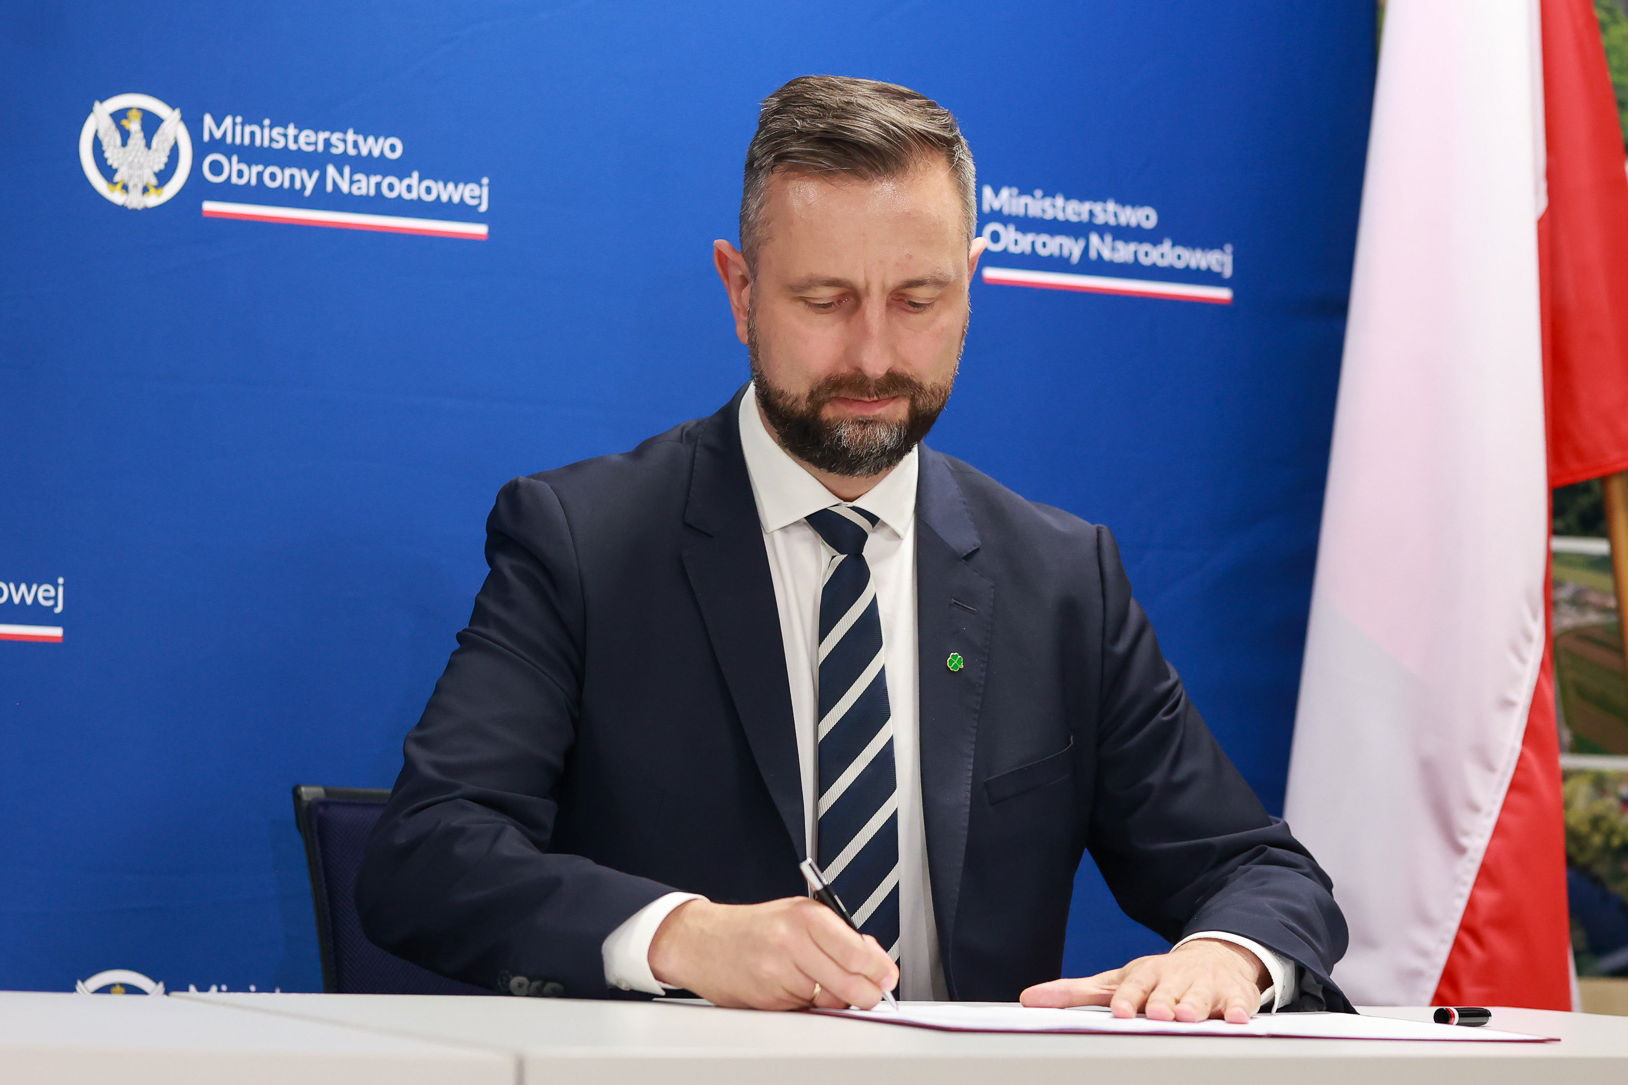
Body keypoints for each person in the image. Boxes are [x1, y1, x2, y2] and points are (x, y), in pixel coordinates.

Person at [357, 75, 1348, 1021]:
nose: (874, 356)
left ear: (969, 285)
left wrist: (1226, 957)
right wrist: (681, 937)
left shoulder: (1061, 582)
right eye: (825, 302)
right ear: (740, 291)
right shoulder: (583, 543)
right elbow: (429, 853)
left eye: (917, 302)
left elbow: (1258, 872)